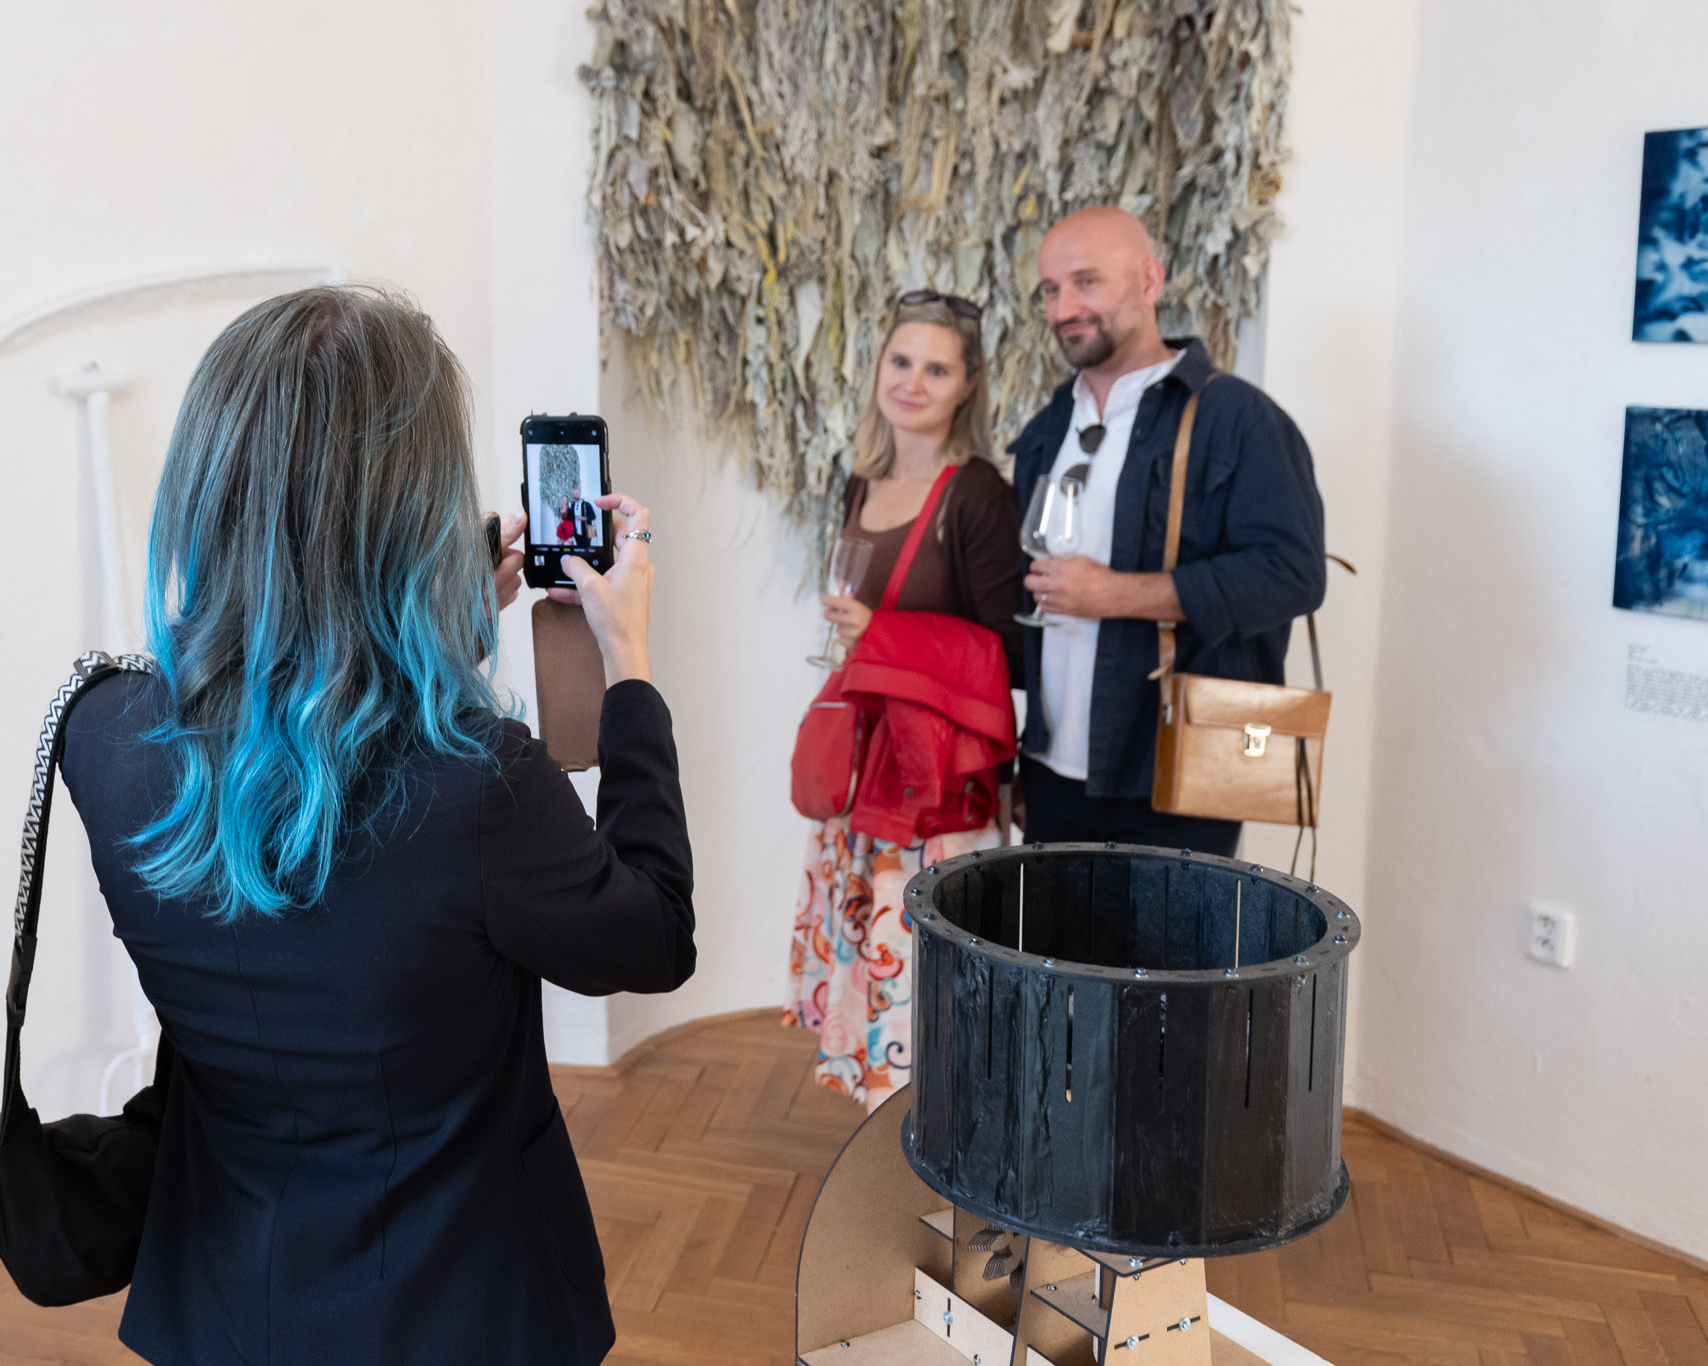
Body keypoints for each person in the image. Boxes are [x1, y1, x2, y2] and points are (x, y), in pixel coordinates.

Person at [57, 286, 690, 1365]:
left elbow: (303, 792)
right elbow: (650, 939)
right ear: (416, 508)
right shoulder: (479, 783)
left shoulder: (98, 729)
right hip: (453, 1305)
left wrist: (437, 626)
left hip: (224, 1292)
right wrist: (626, 664)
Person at [1011, 207, 1325, 855]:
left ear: (1150, 281)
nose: (1064, 308)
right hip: (1050, 776)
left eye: (1087, 282)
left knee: (1172, 931)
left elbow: (1292, 574)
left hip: (1176, 774)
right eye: (1050, 289)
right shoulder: (1048, 428)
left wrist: (1116, 595)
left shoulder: (1238, 418)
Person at [784, 290, 1022, 1113]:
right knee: (879, 969)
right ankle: (887, 1134)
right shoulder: (861, 479)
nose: (913, 382)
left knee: (932, 982)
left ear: (968, 386)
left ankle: (938, 1138)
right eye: (901, 361)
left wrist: (882, 634)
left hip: (934, 785)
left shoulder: (978, 494)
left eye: (937, 369)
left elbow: (1008, 650)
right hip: (869, 771)